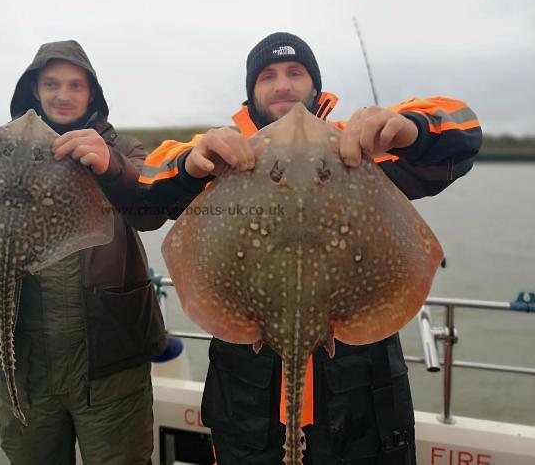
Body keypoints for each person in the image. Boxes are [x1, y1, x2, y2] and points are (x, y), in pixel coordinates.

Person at [138, 32, 482, 464]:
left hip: (360, 398)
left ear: (315, 86)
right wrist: (189, 164)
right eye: (269, 76)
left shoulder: (354, 148)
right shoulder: (227, 155)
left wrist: (411, 130)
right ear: (252, 92)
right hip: (247, 401)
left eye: (295, 73)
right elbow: (144, 190)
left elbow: (464, 127)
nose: (283, 84)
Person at [0, 40, 167, 465]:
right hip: (22, 359)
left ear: (92, 95)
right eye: (51, 83)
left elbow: (151, 208)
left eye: (75, 85)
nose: (62, 94)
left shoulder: (124, 151)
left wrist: (110, 166)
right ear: (34, 90)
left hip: (109, 362)